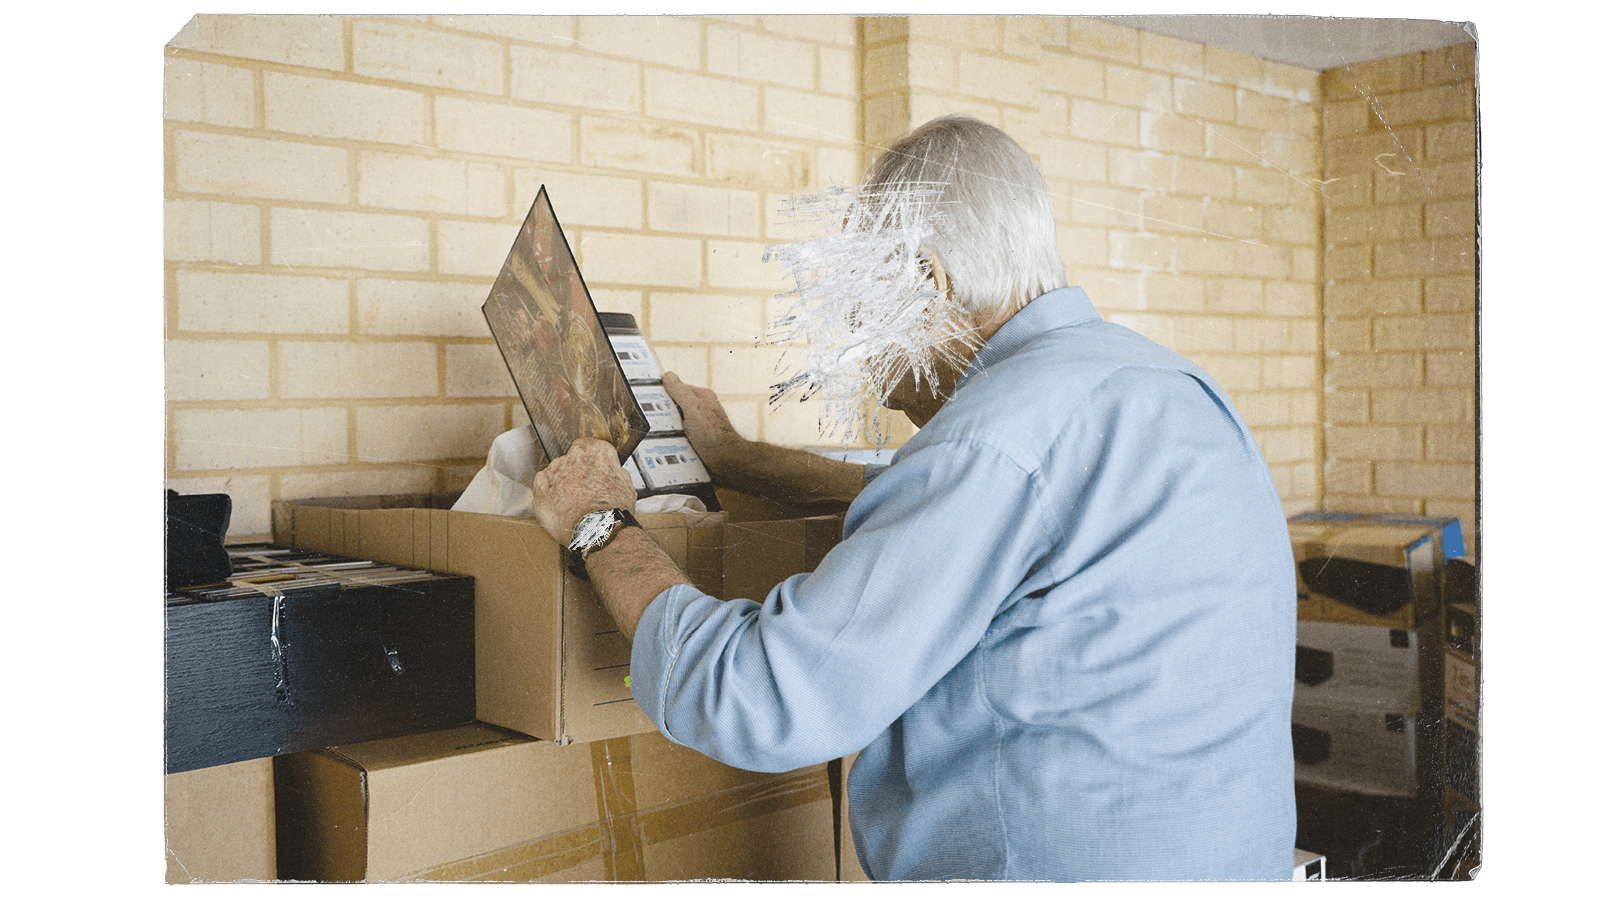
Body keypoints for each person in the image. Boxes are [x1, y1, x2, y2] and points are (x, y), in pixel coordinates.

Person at [530, 115, 1298, 881]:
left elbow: (763, 698)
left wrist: (602, 523)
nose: (859, 340)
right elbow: (990, 516)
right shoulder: (1162, 385)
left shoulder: (994, 434)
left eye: (862, 296)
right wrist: (740, 459)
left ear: (929, 281)